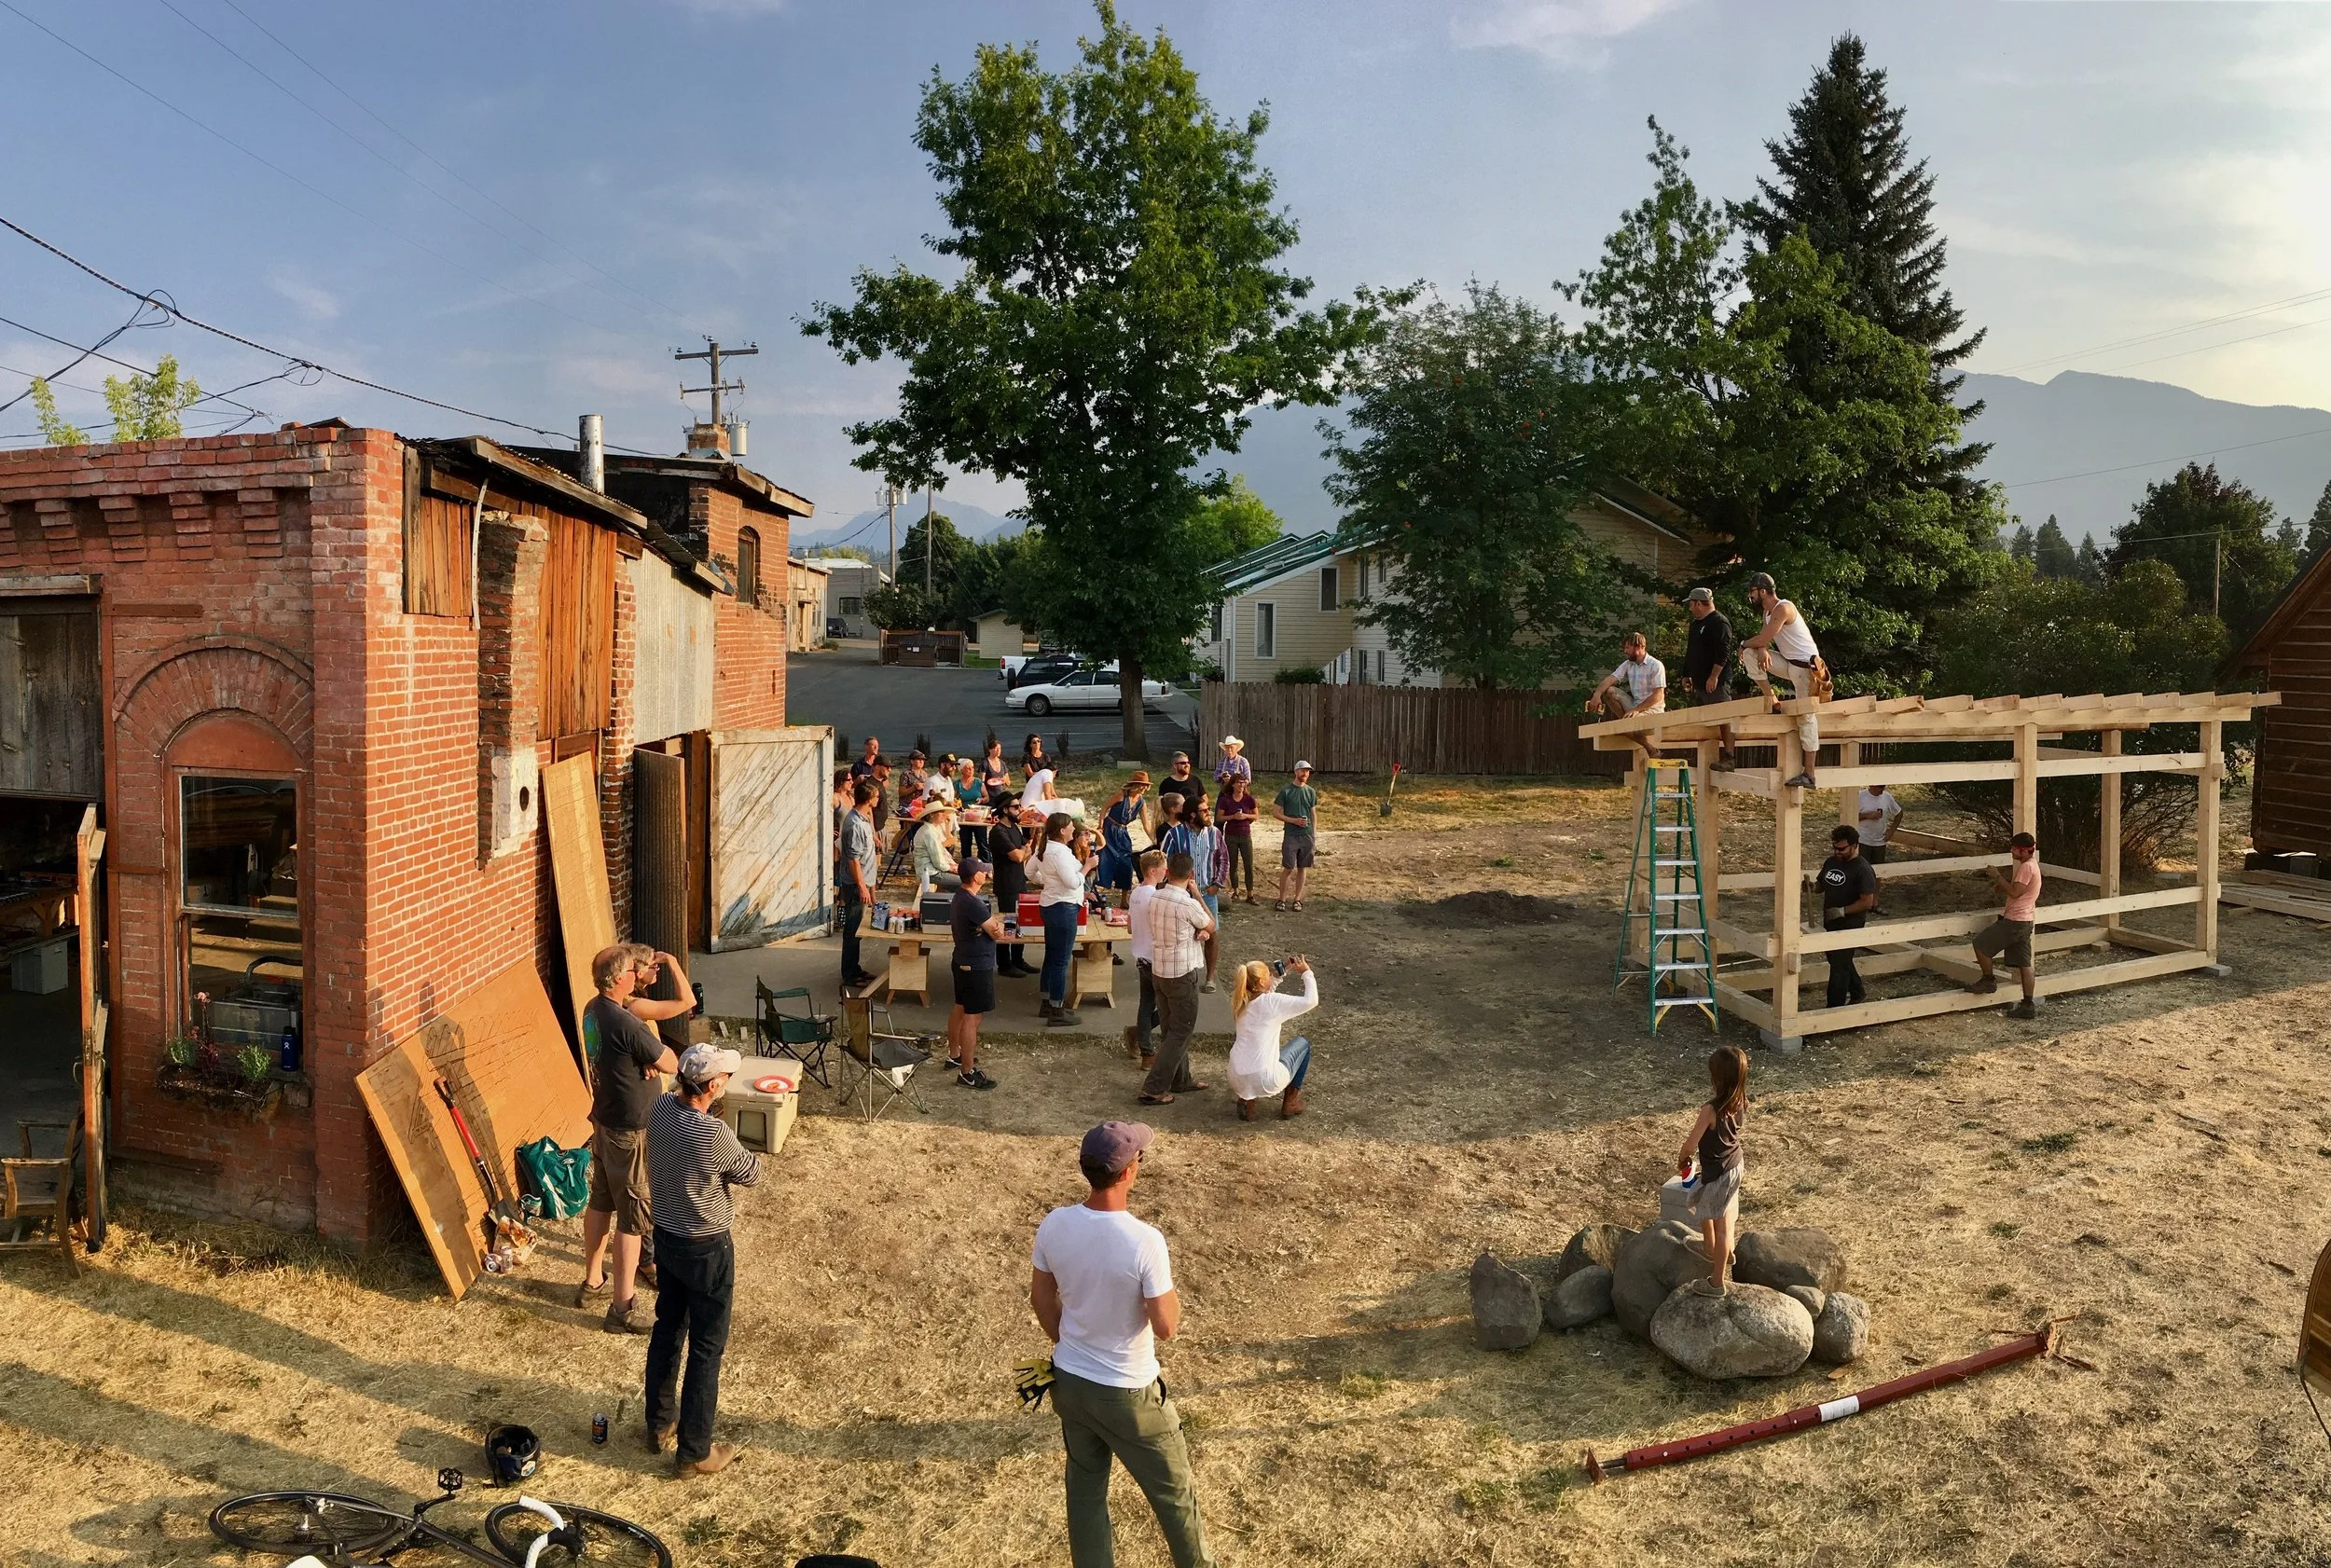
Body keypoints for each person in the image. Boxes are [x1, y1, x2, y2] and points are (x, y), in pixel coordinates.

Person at [1029, 1121, 1215, 1568]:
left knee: (1085, 1491)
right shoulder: (1144, 1241)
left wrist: (1069, 1345)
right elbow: (1166, 1326)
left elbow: (1041, 1299)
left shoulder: (1055, 1224)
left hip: (1069, 1382)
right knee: (1174, 1497)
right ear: (1130, 1171)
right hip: (1130, 1394)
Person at [643, 1042, 759, 1477]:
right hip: (707, 1247)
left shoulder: (660, 1109)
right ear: (711, 1086)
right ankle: (694, 1451)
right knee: (707, 1348)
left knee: (668, 1329)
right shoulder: (712, 1134)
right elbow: (752, 1173)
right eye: (725, 1076)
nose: (728, 1081)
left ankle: (659, 1422)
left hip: (667, 1237)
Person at [577, 942, 678, 1335]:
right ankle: (622, 1308)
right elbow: (670, 1061)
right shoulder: (626, 1022)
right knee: (633, 1221)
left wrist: (640, 1061)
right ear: (620, 978)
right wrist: (650, 1059)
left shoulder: (592, 1009)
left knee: (600, 1202)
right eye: (633, 972)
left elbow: (620, 1057)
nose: (638, 976)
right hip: (630, 1132)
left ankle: (592, 1280)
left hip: (604, 1122)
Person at [1734, 572, 1829, 789]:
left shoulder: (1783, 608)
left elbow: (1763, 638)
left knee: (1806, 717)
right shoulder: (1767, 613)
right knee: (1750, 654)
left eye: (1752, 591)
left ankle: (1810, 774)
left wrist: (1744, 643)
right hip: (1789, 664)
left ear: (1763, 591)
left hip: (1806, 669)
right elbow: (1764, 639)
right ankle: (1772, 699)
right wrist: (1761, 649)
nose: (1750, 595)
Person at [1139, 851, 1214, 1107]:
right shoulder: (1188, 903)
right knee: (1181, 1031)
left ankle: (1180, 1079)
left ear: (1168, 871)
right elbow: (1211, 924)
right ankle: (1153, 1087)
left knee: (1170, 1029)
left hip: (1160, 970)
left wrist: (1195, 931)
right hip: (1182, 973)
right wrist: (1198, 895)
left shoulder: (1155, 897)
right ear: (1191, 875)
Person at [1675, 1045, 1748, 1294]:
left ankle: (1717, 1282)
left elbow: (1690, 1143)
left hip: (1721, 1173)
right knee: (1700, 1199)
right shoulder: (1741, 1101)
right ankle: (1710, 1246)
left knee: (1722, 1224)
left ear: (1717, 1078)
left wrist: (1683, 1157)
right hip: (1731, 1164)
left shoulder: (1710, 1111)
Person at [1227, 956, 1317, 1121]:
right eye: (1268, 975)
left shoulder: (1240, 1001)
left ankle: (1246, 1099)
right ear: (1261, 982)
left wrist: (1279, 974)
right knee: (1302, 1045)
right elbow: (1311, 1001)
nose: (1271, 976)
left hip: (1236, 1077)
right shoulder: (1271, 1003)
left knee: (1252, 1056)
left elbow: (1263, 997)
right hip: (1265, 1079)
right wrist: (1307, 973)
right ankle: (1291, 1102)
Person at [1967, 831, 2042, 1019]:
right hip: (2025, 921)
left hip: (2015, 922)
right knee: (2025, 964)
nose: (2012, 851)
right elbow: (2019, 891)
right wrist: (2004, 887)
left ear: (2023, 851)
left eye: (2014, 849)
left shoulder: (2026, 868)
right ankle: (2028, 1004)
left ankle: (1988, 980)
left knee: (1980, 944)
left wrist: (1998, 876)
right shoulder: (2031, 865)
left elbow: (2016, 892)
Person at [948, 859, 1004, 1090]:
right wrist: (995, 927)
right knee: (973, 1018)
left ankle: (955, 1055)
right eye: (983, 871)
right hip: (976, 965)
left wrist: (989, 927)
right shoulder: (975, 904)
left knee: (960, 1008)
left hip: (961, 960)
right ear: (975, 877)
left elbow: (989, 927)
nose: (986, 874)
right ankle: (967, 1072)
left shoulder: (960, 896)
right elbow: (997, 932)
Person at [1814, 826, 1878, 1009]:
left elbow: (1867, 902)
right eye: (1835, 847)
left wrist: (1842, 911)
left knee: (1839, 967)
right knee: (1838, 959)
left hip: (1850, 924)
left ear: (1854, 846)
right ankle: (1857, 991)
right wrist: (1811, 887)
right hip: (1831, 920)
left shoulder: (1863, 869)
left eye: (1841, 848)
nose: (1837, 852)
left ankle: (1834, 1008)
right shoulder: (1831, 862)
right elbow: (1821, 885)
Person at [1037, 813, 1090, 1027]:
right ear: (1061, 831)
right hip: (1063, 908)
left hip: (1051, 905)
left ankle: (1046, 1002)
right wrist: (1087, 867)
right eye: (1070, 827)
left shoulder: (1047, 849)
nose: (1073, 830)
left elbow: (1029, 871)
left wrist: (1048, 881)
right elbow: (1072, 882)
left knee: (1051, 956)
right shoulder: (1059, 853)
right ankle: (1057, 1009)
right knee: (1060, 961)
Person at [1123, 849, 1168, 1069]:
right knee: (1170, 1006)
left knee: (1147, 1004)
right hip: (1155, 957)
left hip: (1140, 955)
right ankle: (1144, 1044)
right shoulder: (1154, 896)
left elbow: (1130, 927)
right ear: (1152, 871)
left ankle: (1144, 1045)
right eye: (1163, 869)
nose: (1165, 872)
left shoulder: (1136, 893)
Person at [837, 779, 880, 988]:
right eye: (876, 796)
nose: (878, 799)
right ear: (870, 799)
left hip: (863, 882)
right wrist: (862, 886)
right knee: (853, 930)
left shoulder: (862, 819)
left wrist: (872, 888)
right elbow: (854, 860)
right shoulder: (855, 825)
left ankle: (854, 968)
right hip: (855, 885)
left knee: (857, 930)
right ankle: (849, 974)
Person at [1184, 793, 1226, 992]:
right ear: (1193, 815)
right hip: (1184, 894)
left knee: (1212, 933)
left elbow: (1224, 859)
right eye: (1204, 810)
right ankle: (1186, 976)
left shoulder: (1214, 833)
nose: (1209, 813)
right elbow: (1165, 858)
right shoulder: (1177, 834)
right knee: (1184, 935)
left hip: (1207, 893)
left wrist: (1217, 883)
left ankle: (1210, 977)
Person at [1589, 631, 1667, 724]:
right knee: (1609, 691)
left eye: (1627, 648)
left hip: (1653, 711)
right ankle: (1624, 722)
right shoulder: (1628, 664)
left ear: (1638, 647)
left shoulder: (1655, 665)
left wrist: (1637, 710)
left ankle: (1627, 724)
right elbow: (1610, 679)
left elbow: (1658, 695)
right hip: (1635, 706)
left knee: (1635, 722)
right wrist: (1596, 695)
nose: (1625, 651)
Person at [1274, 761, 1318, 913]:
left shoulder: (1310, 791)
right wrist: (1293, 821)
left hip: (1307, 835)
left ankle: (1297, 899)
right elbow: (1276, 812)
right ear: (1296, 772)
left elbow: (1313, 813)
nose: (1305, 774)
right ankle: (1282, 899)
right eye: (1303, 771)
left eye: (1307, 771)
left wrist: (1314, 834)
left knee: (1302, 868)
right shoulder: (1286, 791)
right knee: (1288, 867)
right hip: (1291, 835)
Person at [1098, 774, 1152, 894]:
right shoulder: (1121, 795)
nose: (1145, 788)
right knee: (1106, 859)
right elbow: (1104, 808)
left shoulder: (1141, 803)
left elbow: (1146, 824)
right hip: (1110, 828)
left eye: (1146, 786)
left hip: (1123, 832)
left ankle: (1124, 898)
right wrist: (1100, 827)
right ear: (1136, 785)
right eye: (1142, 785)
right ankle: (1101, 892)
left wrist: (1154, 839)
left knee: (1126, 862)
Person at [1681, 587, 1733, 706]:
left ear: (1698, 603)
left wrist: (1714, 676)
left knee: (1720, 714)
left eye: (1691, 604)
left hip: (1716, 685)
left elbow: (1723, 653)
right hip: (1699, 684)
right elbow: (1691, 650)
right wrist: (1686, 674)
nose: (1690, 609)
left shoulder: (1719, 622)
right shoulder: (1695, 625)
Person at [1216, 774, 1259, 903]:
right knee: (1233, 864)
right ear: (1233, 784)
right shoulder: (1226, 800)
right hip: (1231, 835)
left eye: (1243, 782)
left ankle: (1250, 894)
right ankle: (1236, 891)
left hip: (1245, 835)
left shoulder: (1249, 799)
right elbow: (1219, 818)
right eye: (1239, 782)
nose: (1241, 785)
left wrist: (1245, 816)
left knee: (1248, 865)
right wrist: (1232, 817)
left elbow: (1256, 816)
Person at [913, 803, 960, 898]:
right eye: (941, 812)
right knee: (964, 882)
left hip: (930, 871)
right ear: (931, 814)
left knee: (960, 879)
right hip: (930, 873)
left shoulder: (930, 829)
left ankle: (946, 898)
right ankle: (947, 900)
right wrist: (951, 868)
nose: (944, 815)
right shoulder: (929, 832)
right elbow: (938, 861)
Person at [1855, 783, 1903, 865]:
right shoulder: (1860, 796)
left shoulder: (1887, 797)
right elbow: (1851, 816)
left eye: (1884, 786)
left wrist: (1891, 831)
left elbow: (1899, 813)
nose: (1883, 789)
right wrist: (1867, 816)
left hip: (1880, 841)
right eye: (1880, 787)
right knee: (1863, 868)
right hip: (1863, 841)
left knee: (1879, 869)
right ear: (1871, 785)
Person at [1155, 751, 1204, 817]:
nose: (1187, 765)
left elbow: (1204, 797)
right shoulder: (1167, 783)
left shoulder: (1195, 780)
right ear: (1175, 765)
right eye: (1183, 763)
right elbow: (1161, 804)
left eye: (1188, 762)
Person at [983, 739, 1016, 807]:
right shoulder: (985, 763)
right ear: (989, 750)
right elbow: (981, 782)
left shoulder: (1002, 763)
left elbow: (1008, 783)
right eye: (996, 748)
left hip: (1001, 796)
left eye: (999, 748)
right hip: (990, 797)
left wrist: (1005, 780)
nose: (998, 750)